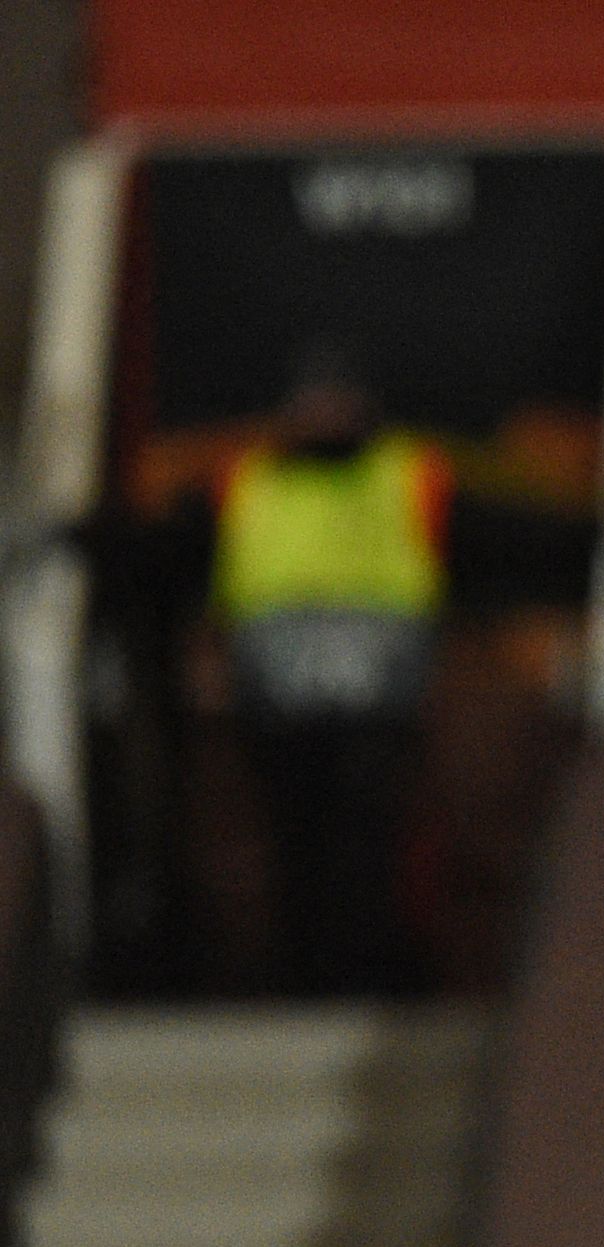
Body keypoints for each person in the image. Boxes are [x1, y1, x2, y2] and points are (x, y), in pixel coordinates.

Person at [203, 344, 450, 994]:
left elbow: (497, 535)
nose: (325, 417)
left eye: (337, 402)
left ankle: (363, 972)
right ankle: (299, 974)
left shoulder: (407, 472)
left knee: (367, 835)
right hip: (278, 699)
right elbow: (183, 545)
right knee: (293, 837)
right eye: (311, 404)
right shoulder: (248, 478)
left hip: (377, 698)